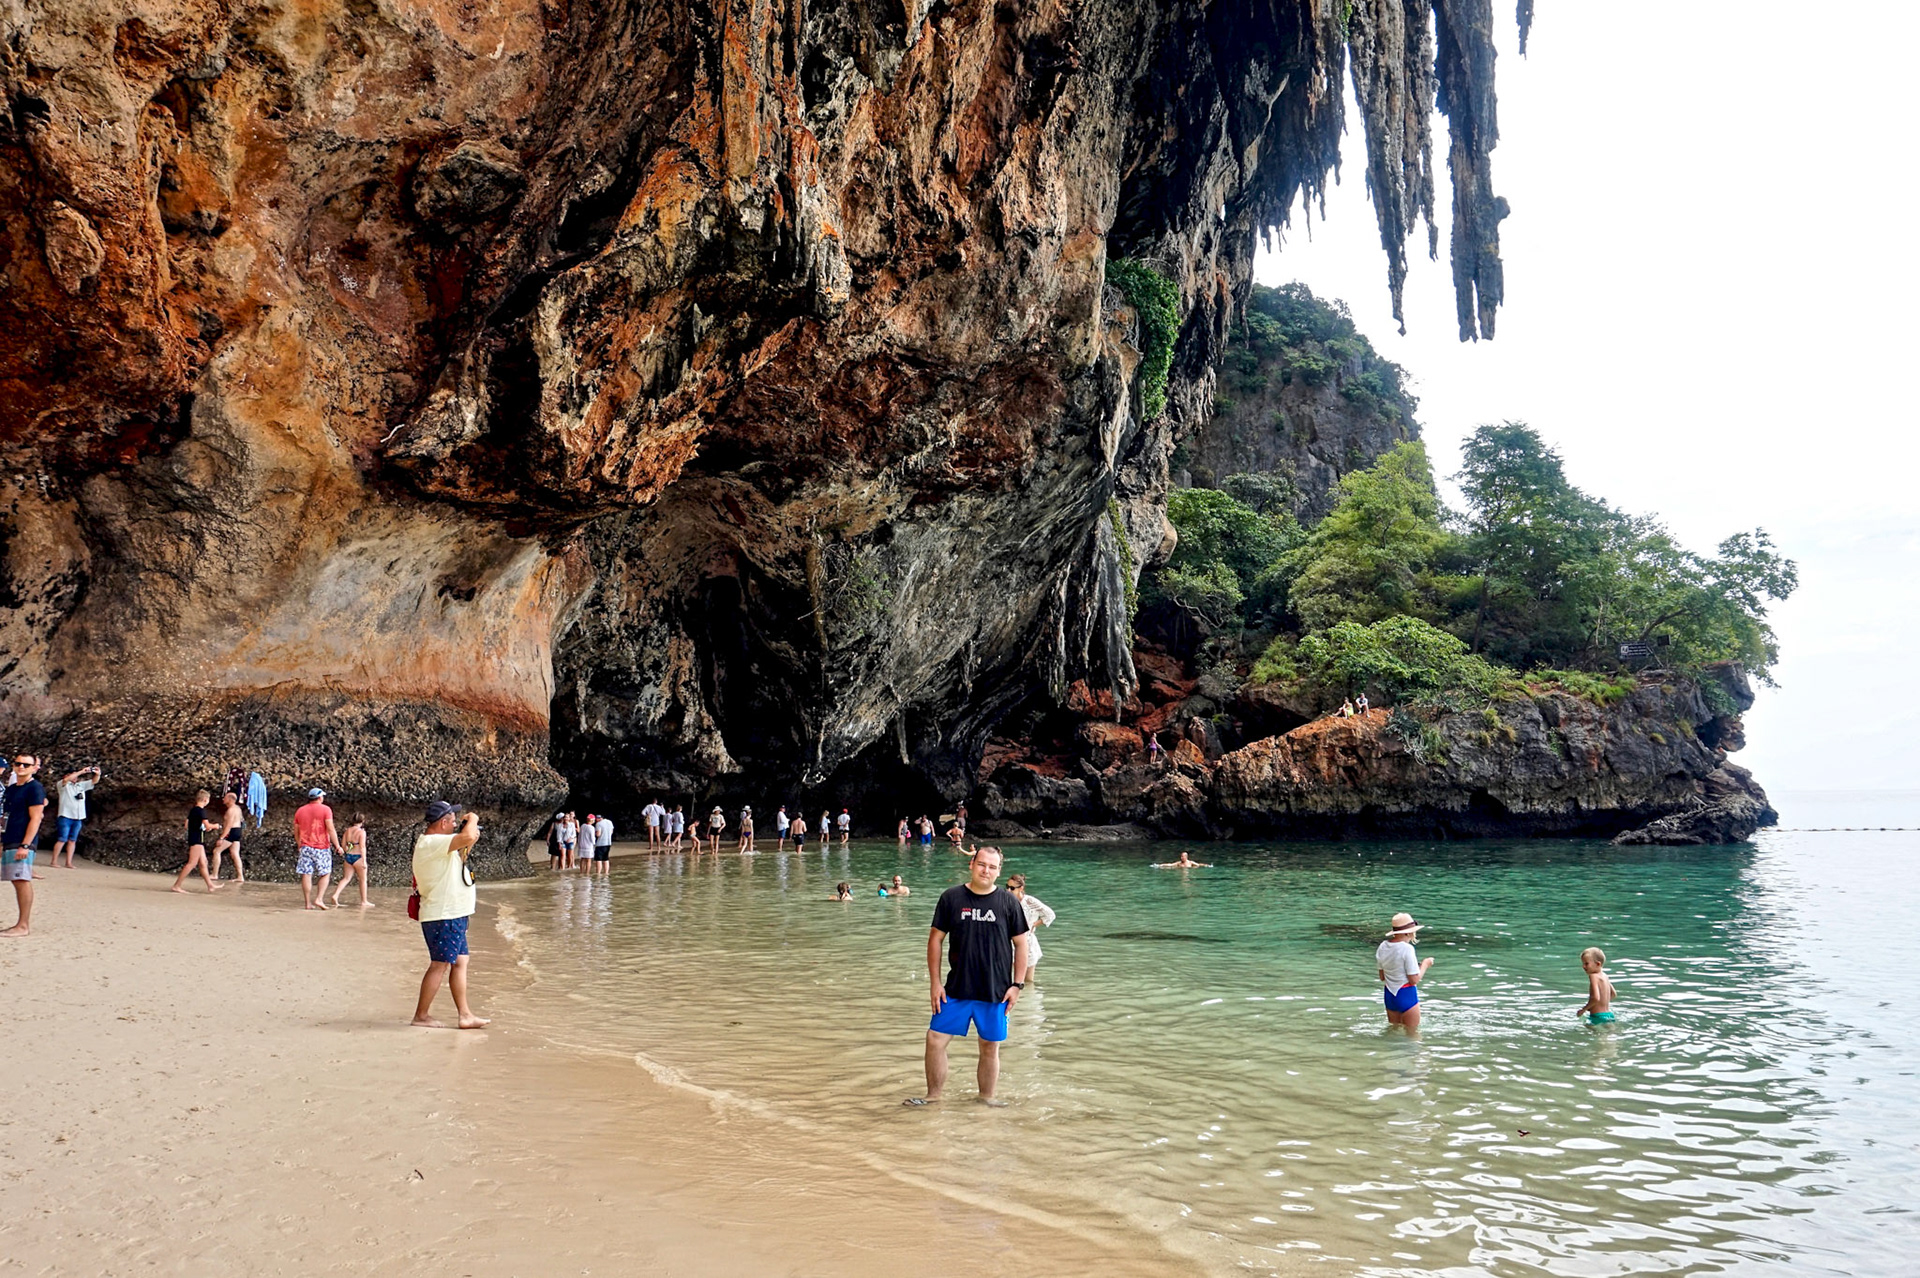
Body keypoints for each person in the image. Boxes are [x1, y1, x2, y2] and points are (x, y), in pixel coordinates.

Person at [905, 846, 1030, 1108]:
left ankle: (986, 1099)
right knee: (935, 1039)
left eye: (992, 867)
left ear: (999, 871)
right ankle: (933, 1097)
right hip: (956, 988)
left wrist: (1017, 985)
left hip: (995, 991)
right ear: (971, 864)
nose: (986, 871)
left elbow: (1021, 944)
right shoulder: (951, 897)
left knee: (989, 1046)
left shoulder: (1008, 903)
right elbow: (935, 940)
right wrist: (935, 983)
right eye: (982, 864)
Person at [410, 800, 489, 1029]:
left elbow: (465, 847)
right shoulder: (432, 843)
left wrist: (470, 836)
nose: (455, 825)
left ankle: (465, 1015)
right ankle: (421, 1016)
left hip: (453, 914)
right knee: (439, 964)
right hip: (444, 914)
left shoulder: (440, 845)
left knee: (460, 961)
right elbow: (467, 836)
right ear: (443, 822)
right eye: (453, 821)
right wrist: (473, 819)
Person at [3, 753, 47, 935]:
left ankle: (23, 925)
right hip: (9, 837)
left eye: (26, 765)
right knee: (15, 879)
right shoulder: (12, 789)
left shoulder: (35, 788)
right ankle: (21, 925)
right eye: (18, 763)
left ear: (34, 768)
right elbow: (5, 816)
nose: (21, 767)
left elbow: (36, 818)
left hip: (22, 840)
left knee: (21, 879)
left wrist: (26, 845)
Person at [1376, 912, 1433, 1032]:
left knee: (1393, 1032)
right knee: (1413, 1035)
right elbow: (1414, 980)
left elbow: (1382, 977)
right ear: (1408, 932)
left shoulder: (1383, 946)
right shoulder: (1407, 949)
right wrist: (1425, 964)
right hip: (1406, 994)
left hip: (1389, 995)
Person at [170, 788, 222, 894]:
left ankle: (210, 886)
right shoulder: (201, 811)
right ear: (205, 799)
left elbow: (187, 825)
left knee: (203, 862)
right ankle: (177, 886)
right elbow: (208, 826)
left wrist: (200, 826)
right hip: (197, 839)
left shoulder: (193, 810)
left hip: (194, 837)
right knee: (192, 863)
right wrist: (215, 826)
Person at [293, 788, 338, 909]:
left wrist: (299, 844)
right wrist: (337, 845)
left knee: (306, 874)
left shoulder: (300, 810)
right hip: (321, 847)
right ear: (319, 798)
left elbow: (296, 831)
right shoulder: (326, 809)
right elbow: (330, 829)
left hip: (305, 846)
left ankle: (308, 903)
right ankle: (319, 899)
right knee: (326, 873)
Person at [1005, 873, 1055, 978]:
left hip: (1028, 943)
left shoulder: (1030, 901)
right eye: (1007, 887)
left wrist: (1034, 924)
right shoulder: (1006, 901)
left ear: (1021, 888)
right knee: (1011, 978)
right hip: (1010, 944)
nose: (1008, 890)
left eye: (1012, 888)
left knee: (1028, 979)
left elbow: (1050, 914)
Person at [51, 764, 99, 868]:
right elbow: (66, 780)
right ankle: (54, 861)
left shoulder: (80, 785)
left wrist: (97, 774)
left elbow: (93, 782)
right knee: (62, 839)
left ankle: (69, 862)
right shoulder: (63, 785)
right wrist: (81, 771)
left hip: (78, 817)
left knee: (73, 840)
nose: (75, 777)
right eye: (73, 775)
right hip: (65, 816)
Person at [331, 813, 372, 908]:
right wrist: (364, 861)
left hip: (349, 857)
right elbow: (362, 847)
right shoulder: (362, 832)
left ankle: (335, 895)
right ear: (362, 821)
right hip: (358, 857)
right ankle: (364, 901)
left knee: (346, 878)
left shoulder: (348, 831)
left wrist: (350, 851)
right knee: (363, 880)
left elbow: (344, 845)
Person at [210, 789, 246, 883]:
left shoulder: (231, 810)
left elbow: (229, 825)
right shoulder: (237, 808)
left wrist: (221, 838)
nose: (223, 799)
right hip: (238, 831)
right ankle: (240, 876)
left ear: (230, 799)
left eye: (225, 798)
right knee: (235, 853)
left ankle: (214, 874)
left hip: (232, 831)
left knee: (217, 851)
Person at [1577, 947, 1617, 1024]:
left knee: (1588, 1028)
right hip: (1609, 1015)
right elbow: (1613, 994)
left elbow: (1595, 998)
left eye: (1586, 963)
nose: (1583, 966)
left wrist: (1584, 1009)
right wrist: (1602, 1003)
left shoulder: (1593, 976)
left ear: (1598, 964)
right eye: (1583, 963)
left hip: (1597, 1016)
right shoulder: (1605, 976)